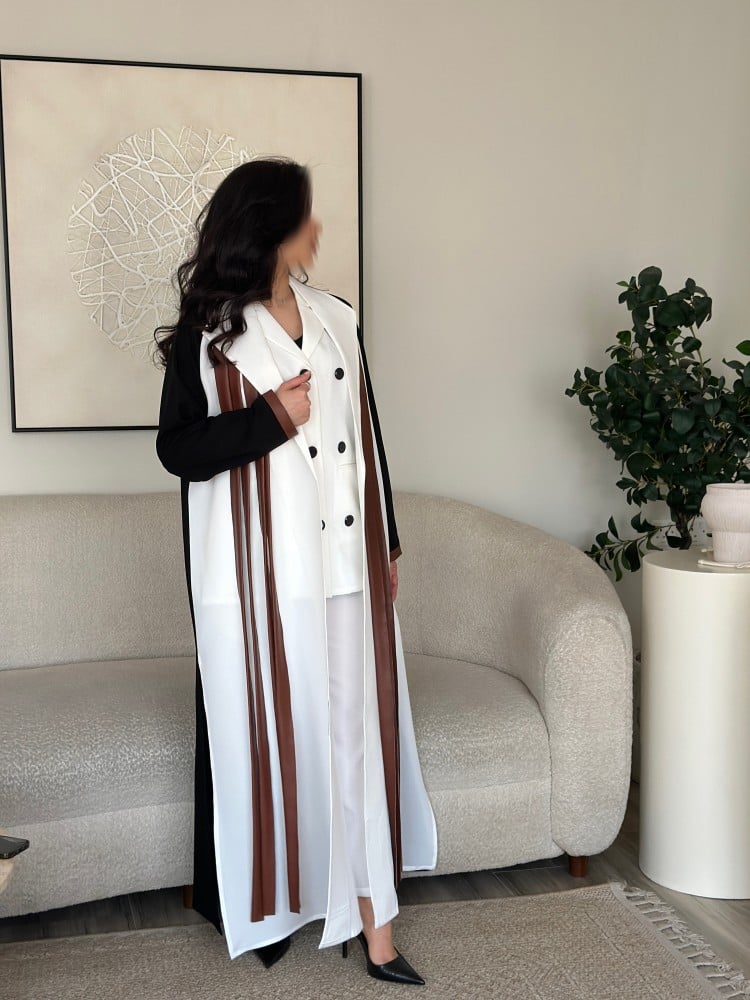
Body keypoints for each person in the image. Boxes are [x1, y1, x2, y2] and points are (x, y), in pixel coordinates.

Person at [153, 157, 437, 985]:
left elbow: (368, 439)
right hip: (261, 579)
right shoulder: (210, 333)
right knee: (276, 737)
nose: (317, 231)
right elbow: (178, 450)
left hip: (346, 564)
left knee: (357, 738)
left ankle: (375, 925)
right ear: (272, 226)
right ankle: (281, 903)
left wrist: (388, 543)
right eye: (306, 216)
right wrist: (272, 417)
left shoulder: (337, 317)